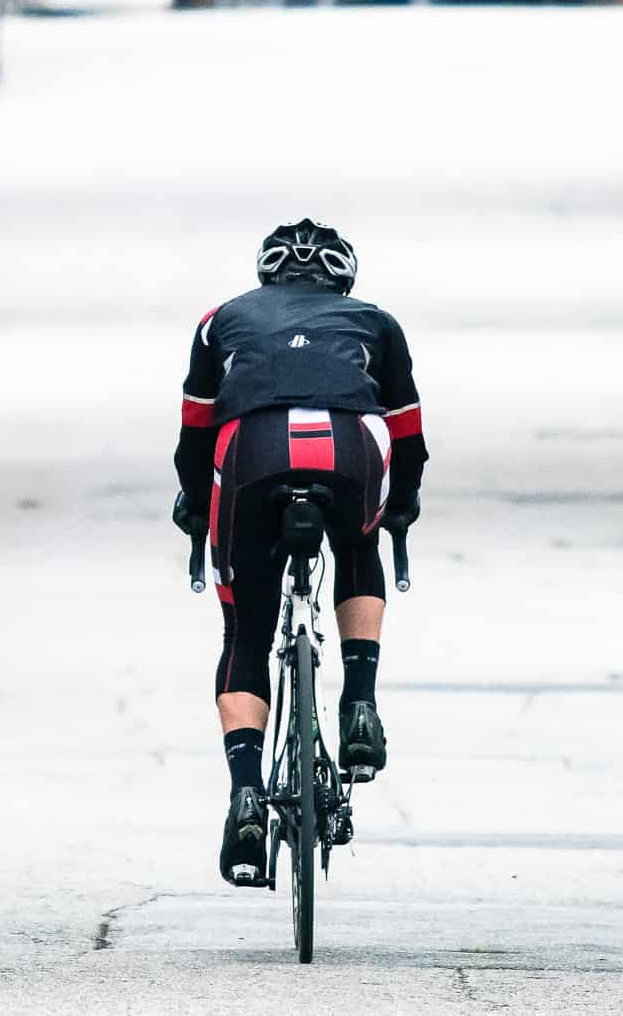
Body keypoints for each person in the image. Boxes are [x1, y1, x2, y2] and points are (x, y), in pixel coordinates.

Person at [170, 219, 427, 886]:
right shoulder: (376, 322)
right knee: (358, 544)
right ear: (343, 278)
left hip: (251, 453)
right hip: (349, 448)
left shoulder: (220, 319)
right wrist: (401, 504)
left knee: (246, 634)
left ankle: (247, 791)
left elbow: (195, 432)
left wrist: (196, 504)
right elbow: (408, 430)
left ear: (268, 276)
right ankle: (360, 705)